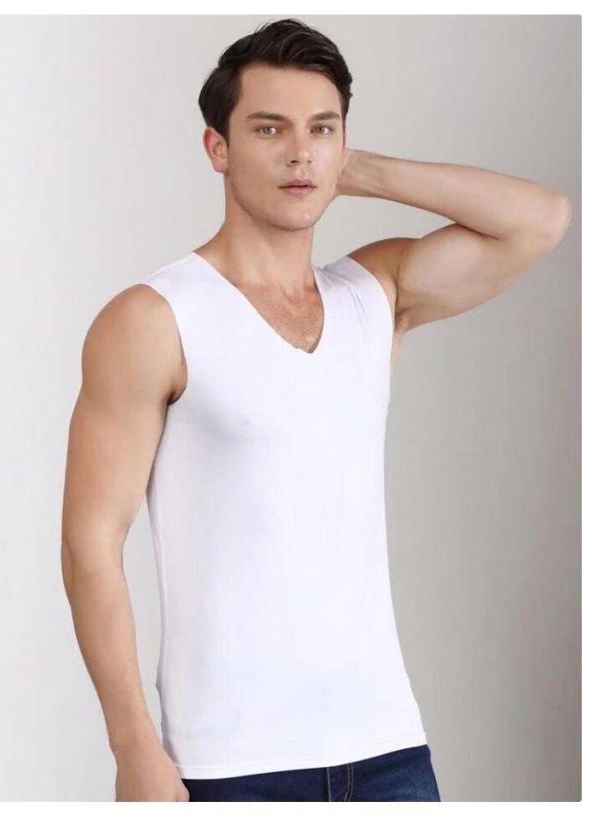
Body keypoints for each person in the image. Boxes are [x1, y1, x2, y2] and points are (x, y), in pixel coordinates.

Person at [60, 18, 571, 802]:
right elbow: (91, 543)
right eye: (270, 130)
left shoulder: (375, 293)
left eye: (321, 129)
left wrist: (352, 169)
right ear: (217, 148)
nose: (299, 153)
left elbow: (541, 219)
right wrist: (133, 746)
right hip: (232, 764)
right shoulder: (154, 318)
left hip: (389, 750)